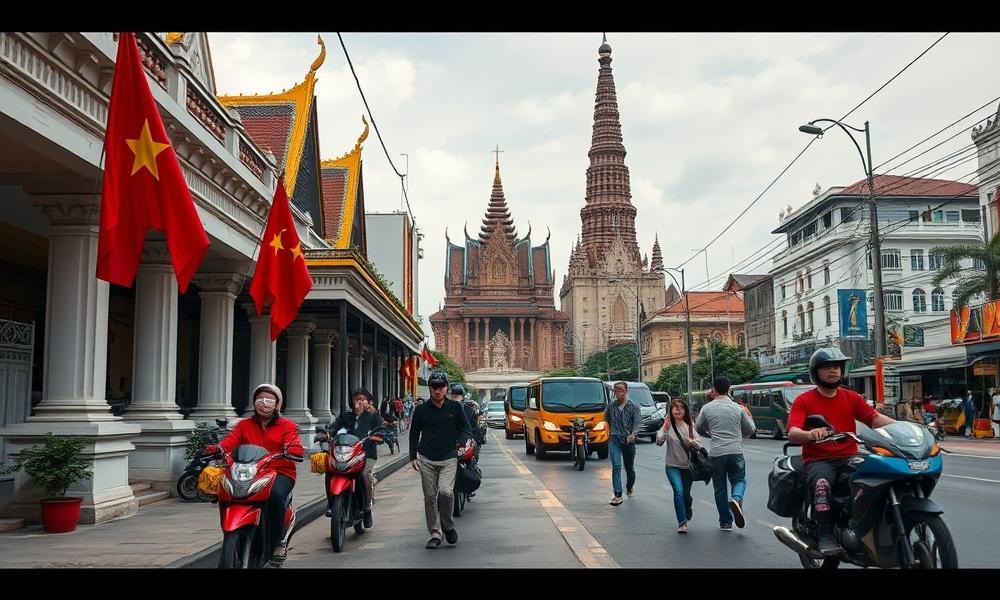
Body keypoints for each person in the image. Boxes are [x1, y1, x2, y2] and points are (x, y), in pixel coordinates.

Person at [786, 347, 896, 556]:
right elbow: (792, 431)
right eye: (827, 367)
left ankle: (868, 525)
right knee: (822, 485)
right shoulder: (804, 400)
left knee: (880, 476)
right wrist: (810, 434)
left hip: (850, 456)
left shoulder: (851, 397)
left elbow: (874, 419)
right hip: (819, 459)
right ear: (815, 372)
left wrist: (904, 428)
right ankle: (825, 533)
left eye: (836, 366)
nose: (833, 371)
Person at [215, 383, 303, 565]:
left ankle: (278, 541)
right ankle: (231, 534)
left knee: (275, 496)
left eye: (269, 399)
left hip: (280, 471)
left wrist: (293, 449)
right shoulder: (244, 425)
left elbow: (294, 442)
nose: (264, 402)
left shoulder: (288, 425)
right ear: (254, 402)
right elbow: (230, 441)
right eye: (260, 398)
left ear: (277, 404)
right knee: (225, 493)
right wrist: (218, 448)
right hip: (248, 472)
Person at [410, 370, 472, 549]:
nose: (438, 390)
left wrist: (460, 444)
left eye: (441, 387)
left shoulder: (455, 408)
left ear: (447, 389)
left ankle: (448, 526)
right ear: (429, 389)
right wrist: (412, 456)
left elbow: (465, 429)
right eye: (434, 387)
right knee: (429, 497)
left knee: (446, 493)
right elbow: (414, 434)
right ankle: (435, 534)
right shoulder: (421, 410)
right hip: (427, 458)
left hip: (448, 458)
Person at [695, 375, 756, 531]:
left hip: (716, 452)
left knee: (720, 488)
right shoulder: (738, 408)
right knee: (739, 480)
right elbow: (751, 429)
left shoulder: (707, 408)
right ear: (729, 389)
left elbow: (699, 428)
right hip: (735, 451)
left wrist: (711, 434)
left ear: (714, 390)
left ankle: (725, 521)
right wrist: (738, 435)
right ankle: (736, 499)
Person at [328, 388, 384, 529]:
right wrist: (328, 433)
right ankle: (331, 504)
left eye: (362, 399)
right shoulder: (346, 416)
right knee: (329, 470)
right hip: (346, 454)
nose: (358, 402)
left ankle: (366, 508)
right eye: (356, 399)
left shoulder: (373, 417)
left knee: (363, 475)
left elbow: (380, 431)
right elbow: (334, 427)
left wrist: (377, 437)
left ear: (367, 402)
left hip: (366, 454)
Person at [656, 398, 700, 534]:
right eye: (675, 407)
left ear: (685, 411)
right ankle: (682, 523)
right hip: (671, 466)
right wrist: (664, 429)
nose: (678, 409)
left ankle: (688, 506)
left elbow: (699, 444)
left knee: (686, 495)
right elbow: (659, 441)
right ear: (671, 410)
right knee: (678, 492)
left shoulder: (689, 426)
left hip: (687, 467)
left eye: (681, 407)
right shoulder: (667, 425)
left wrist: (691, 442)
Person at [605, 381, 641, 506]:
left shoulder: (633, 407)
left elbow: (637, 424)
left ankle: (629, 487)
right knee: (616, 466)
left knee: (629, 468)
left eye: (621, 390)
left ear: (626, 391)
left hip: (628, 441)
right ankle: (617, 494)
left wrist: (633, 434)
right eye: (616, 390)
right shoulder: (611, 406)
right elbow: (606, 417)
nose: (619, 392)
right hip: (614, 439)